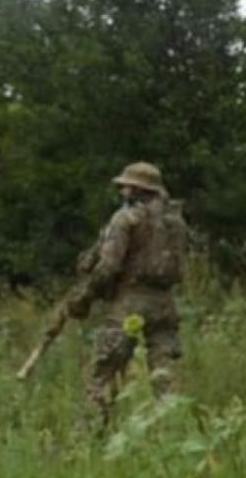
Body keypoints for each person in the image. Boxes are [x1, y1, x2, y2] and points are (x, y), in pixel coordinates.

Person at [69, 161, 188, 428]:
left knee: (103, 376)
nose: (121, 191)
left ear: (136, 189)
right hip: (165, 307)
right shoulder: (176, 222)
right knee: (165, 380)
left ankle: (88, 438)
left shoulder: (125, 219)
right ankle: (174, 433)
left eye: (125, 187)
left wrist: (85, 297)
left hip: (128, 305)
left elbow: (108, 267)